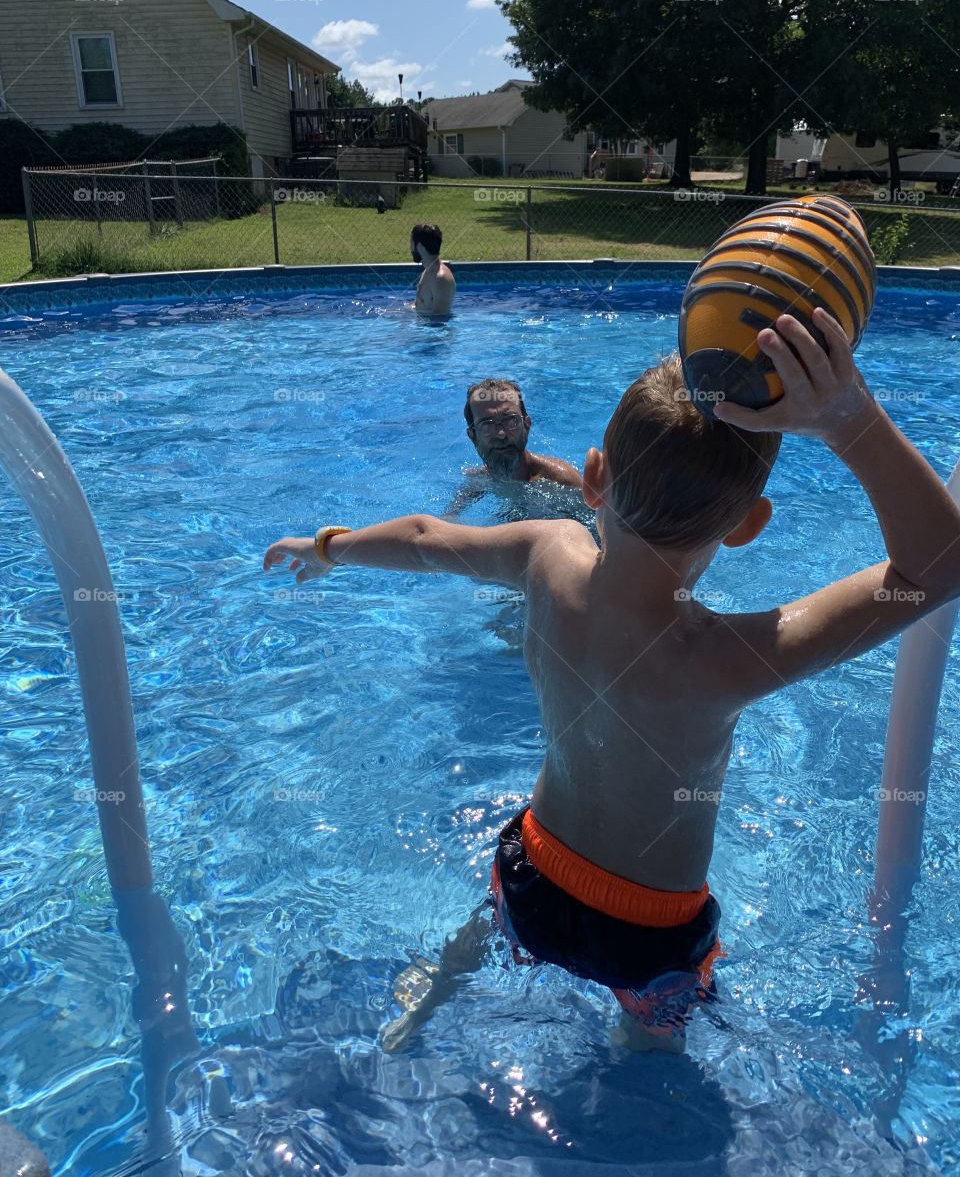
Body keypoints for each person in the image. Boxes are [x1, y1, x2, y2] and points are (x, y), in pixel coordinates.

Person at [263, 307, 960, 1052]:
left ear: (593, 477)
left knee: (483, 929)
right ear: (748, 524)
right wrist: (849, 418)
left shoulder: (547, 555)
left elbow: (427, 538)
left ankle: (427, 1003)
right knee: (653, 1056)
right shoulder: (736, 656)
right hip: (650, 932)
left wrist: (330, 547)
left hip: (532, 872)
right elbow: (938, 563)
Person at [444, 378, 583, 520]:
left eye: (510, 420)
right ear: (473, 436)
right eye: (487, 425)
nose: (501, 434)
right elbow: (447, 519)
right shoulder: (480, 479)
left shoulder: (562, 481)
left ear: (526, 426)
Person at [411, 224, 456, 315]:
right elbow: (418, 305)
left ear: (419, 246)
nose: (410, 247)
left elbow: (440, 318)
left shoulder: (441, 279)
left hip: (428, 328)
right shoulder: (428, 271)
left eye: (411, 243)